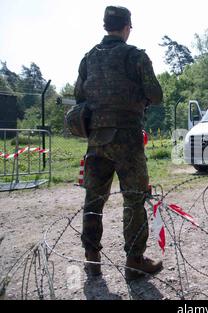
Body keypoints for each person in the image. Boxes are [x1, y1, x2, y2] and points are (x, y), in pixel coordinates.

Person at [74, 6, 163, 280]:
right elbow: (156, 94)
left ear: (105, 26)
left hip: (96, 141)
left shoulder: (88, 58)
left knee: (93, 201)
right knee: (134, 201)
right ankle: (134, 261)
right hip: (127, 139)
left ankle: (92, 259)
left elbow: (79, 95)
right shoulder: (135, 56)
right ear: (127, 28)